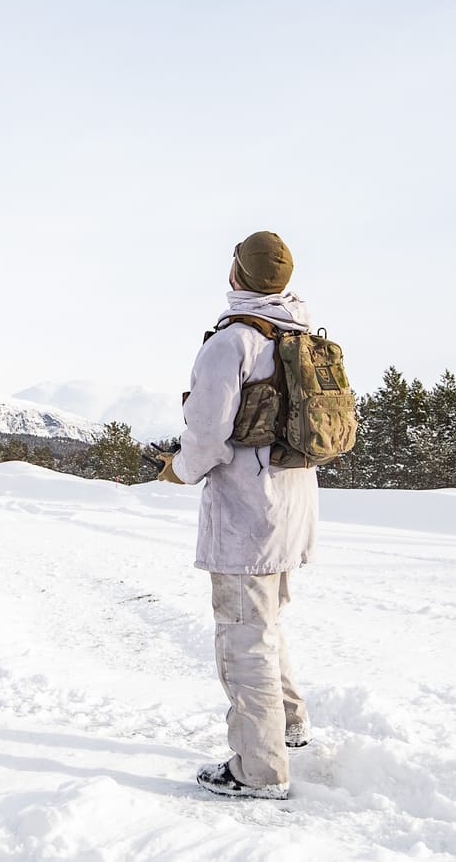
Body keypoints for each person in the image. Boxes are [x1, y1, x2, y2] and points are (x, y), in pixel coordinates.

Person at [155, 230, 317, 801]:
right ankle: (289, 725)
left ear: (236, 275)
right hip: (294, 504)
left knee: (243, 636)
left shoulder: (234, 342)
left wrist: (177, 469)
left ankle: (258, 768)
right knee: (266, 623)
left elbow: (206, 436)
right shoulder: (300, 334)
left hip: (249, 513)